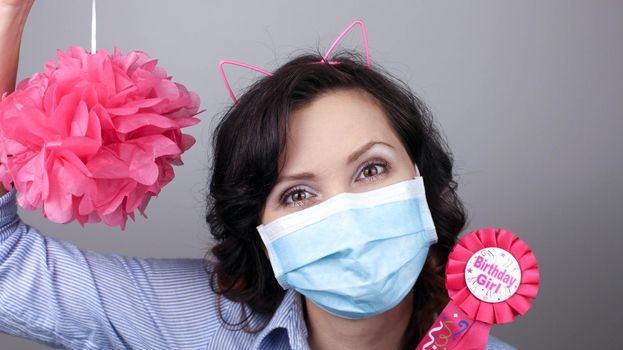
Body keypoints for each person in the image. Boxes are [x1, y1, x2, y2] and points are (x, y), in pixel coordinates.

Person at [0, 1, 516, 349]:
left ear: (422, 181)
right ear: (261, 232)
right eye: (297, 194)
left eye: (371, 168)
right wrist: (10, 15)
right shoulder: (201, 321)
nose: (345, 212)